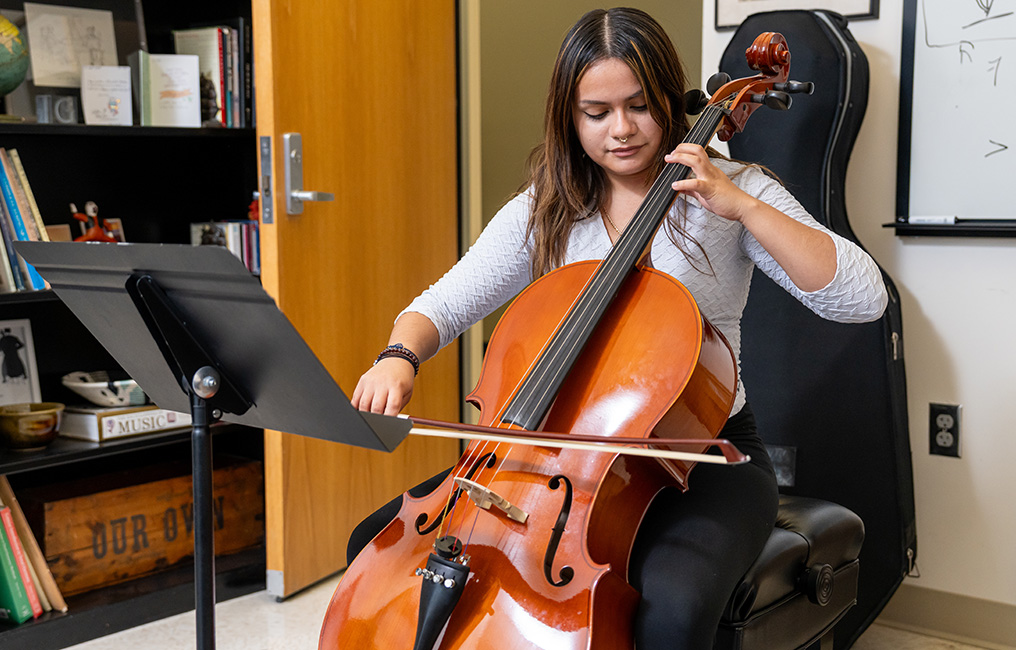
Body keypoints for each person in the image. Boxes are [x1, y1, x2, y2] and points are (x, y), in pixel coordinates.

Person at [349, 7, 886, 649]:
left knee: (671, 613)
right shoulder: (548, 205)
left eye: (639, 105)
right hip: (544, 454)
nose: (622, 130)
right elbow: (441, 304)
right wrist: (397, 356)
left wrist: (739, 203)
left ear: (668, 98)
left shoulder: (727, 191)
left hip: (697, 462)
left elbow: (862, 298)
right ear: (569, 118)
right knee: (375, 546)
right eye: (596, 113)